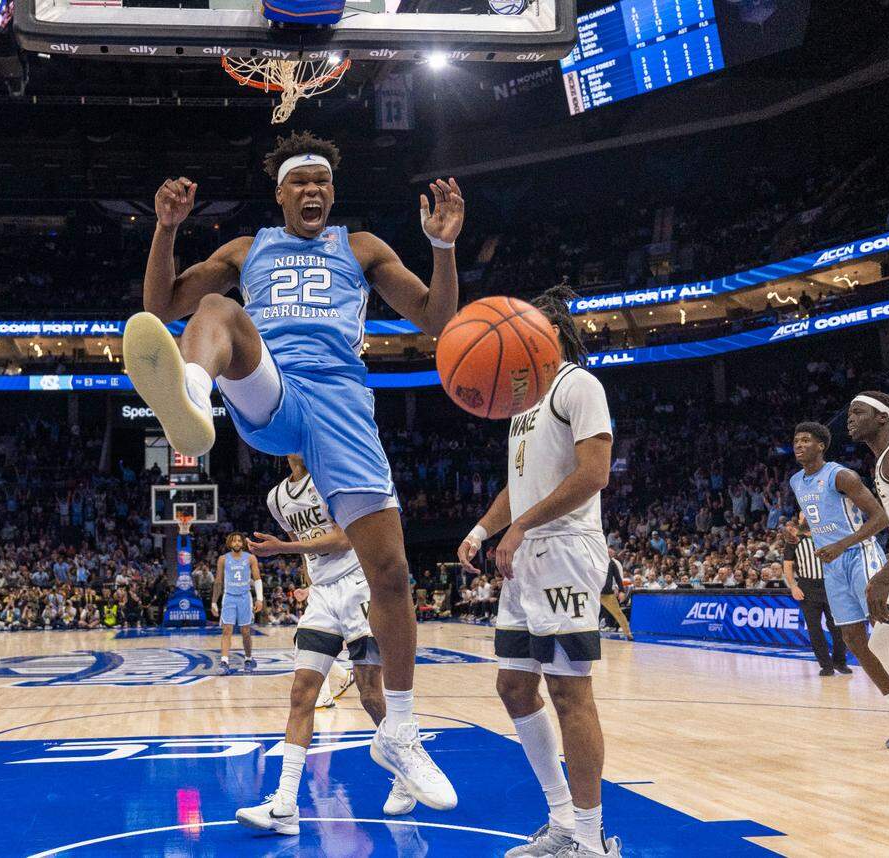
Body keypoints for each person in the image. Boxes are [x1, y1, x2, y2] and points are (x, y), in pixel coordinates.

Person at [125, 131, 459, 811]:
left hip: (341, 403)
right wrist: (165, 231)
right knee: (218, 310)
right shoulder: (247, 249)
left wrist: (444, 245)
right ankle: (193, 391)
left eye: (322, 183)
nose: (312, 191)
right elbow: (161, 308)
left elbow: (438, 318)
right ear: (280, 193)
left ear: (331, 193)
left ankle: (399, 730)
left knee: (391, 573)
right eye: (300, 183)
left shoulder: (360, 247)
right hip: (271, 387)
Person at [459, 285, 621, 858]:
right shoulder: (521, 401)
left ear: (549, 331)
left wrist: (522, 526)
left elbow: (593, 473)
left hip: (566, 549)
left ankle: (591, 837)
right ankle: (561, 823)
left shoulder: (579, 384)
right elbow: (519, 483)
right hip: (525, 553)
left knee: (569, 693)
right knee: (513, 685)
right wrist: (484, 529)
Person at [235, 455, 414, 834]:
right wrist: (306, 578)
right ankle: (285, 806)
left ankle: (406, 772)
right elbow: (310, 546)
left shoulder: (331, 476)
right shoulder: (276, 498)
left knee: (370, 694)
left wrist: (283, 547)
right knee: (302, 693)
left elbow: (343, 537)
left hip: (358, 585)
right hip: (322, 595)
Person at [787, 420, 889, 748]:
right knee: (854, 638)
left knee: (888, 634)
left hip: (861, 556)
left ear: (821, 446)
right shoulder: (796, 481)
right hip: (833, 566)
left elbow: (881, 518)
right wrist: (799, 533)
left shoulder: (842, 475)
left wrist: (842, 544)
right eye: (796, 441)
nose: (799, 445)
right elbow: (825, 523)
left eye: (805, 440)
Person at [845, 392, 889, 756]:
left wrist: (883, 577)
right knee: (883, 642)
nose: (850, 419)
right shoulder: (887, 458)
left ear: (883, 418)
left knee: (884, 640)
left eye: (859, 412)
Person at [780, 519, 849, 676]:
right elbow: (788, 566)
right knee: (814, 629)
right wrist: (793, 586)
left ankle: (840, 661)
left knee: (838, 627)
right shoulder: (794, 541)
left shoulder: (827, 536)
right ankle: (826, 665)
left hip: (831, 585)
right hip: (807, 587)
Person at [211, 533, 263, 674]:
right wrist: (214, 602)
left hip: (245, 597)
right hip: (229, 597)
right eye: (234, 541)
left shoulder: (250, 558)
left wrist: (260, 599)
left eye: (239, 541)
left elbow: (257, 578)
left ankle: (248, 658)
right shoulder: (223, 559)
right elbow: (218, 581)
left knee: (245, 631)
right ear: (229, 543)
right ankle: (224, 662)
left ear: (243, 543)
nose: (237, 543)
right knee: (226, 630)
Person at [600, 548, 633, 640]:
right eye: (608, 552)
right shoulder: (595, 561)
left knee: (618, 613)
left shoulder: (612, 563)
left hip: (607, 593)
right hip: (594, 592)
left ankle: (628, 633)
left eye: (611, 553)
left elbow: (618, 578)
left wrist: (621, 590)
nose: (609, 554)